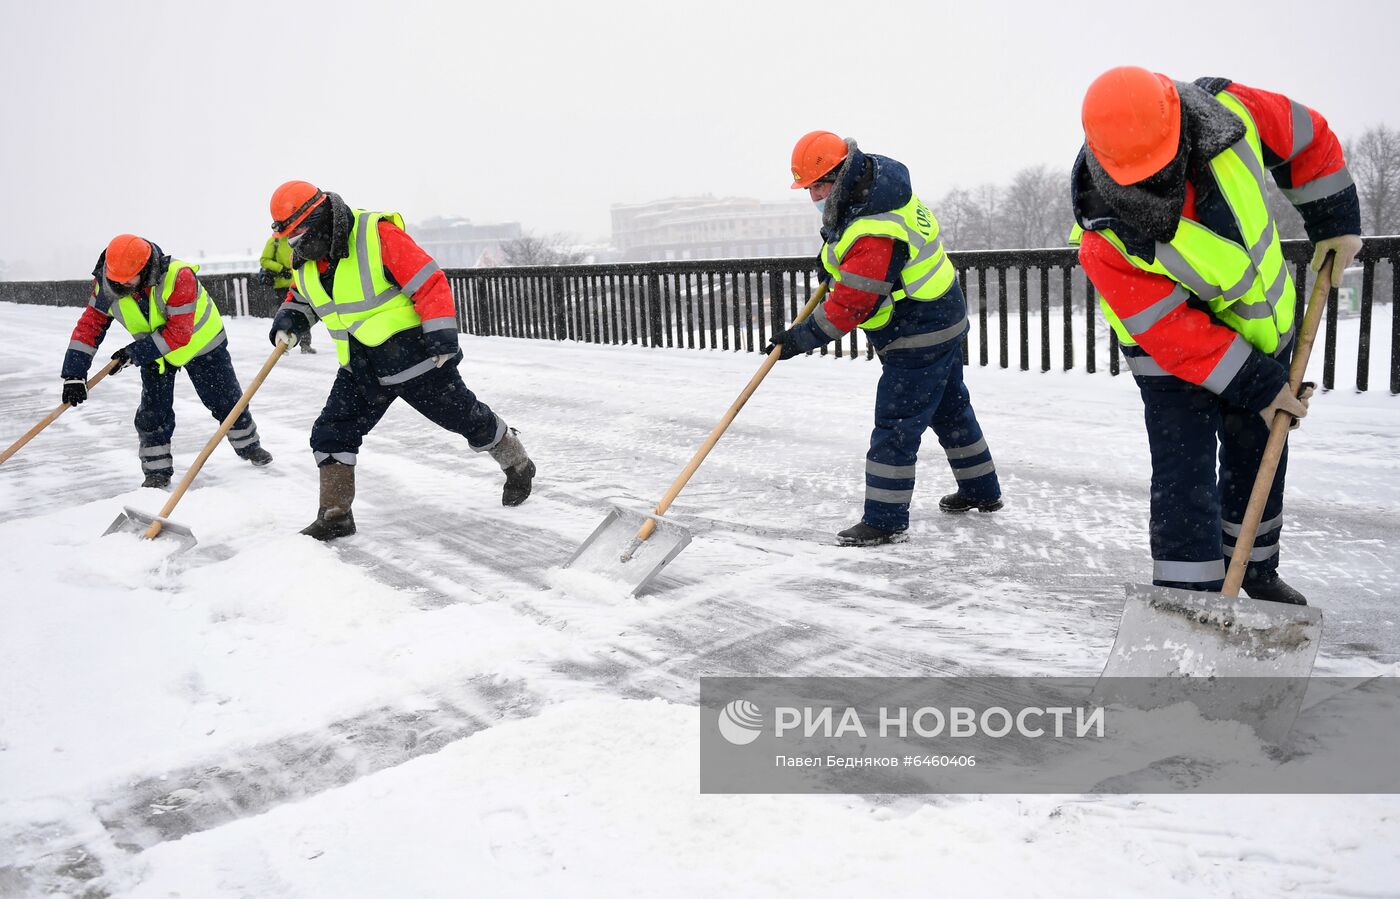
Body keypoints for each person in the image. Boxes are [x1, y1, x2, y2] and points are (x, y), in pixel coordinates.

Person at [1071, 67, 1363, 605]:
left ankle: (1253, 568)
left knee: (1260, 448)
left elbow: (1308, 137)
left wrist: (1335, 220)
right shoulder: (1106, 235)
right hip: (1166, 351)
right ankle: (1190, 598)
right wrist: (1256, 383)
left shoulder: (1231, 112)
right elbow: (1171, 330)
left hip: (1262, 323)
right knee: (1186, 472)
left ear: (1180, 123)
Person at [768, 132, 1002, 547]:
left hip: (919, 331)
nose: (813, 197)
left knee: (895, 424)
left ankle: (885, 519)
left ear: (840, 176)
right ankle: (981, 490)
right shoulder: (875, 193)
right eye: (808, 189)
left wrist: (800, 338)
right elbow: (851, 264)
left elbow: (852, 304)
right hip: (941, 317)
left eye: (818, 186)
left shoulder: (875, 225)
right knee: (951, 410)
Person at [265, 181, 535, 540]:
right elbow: (303, 296)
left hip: (415, 358)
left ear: (318, 217)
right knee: (332, 431)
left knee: (467, 419)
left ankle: (517, 463)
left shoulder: (376, 235)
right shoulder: (305, 258)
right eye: (288, 236)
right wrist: (290, 320)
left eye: (298, 232)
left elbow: (428, 282)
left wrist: (441, 336)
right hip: (360, 365)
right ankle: (335, 514)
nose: (294, 242)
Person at [60, 234, 273, 488]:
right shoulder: (108, 285)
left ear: (145, 268)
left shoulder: (178, 277)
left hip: (201, 343)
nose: (121, 286)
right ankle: (156, 473)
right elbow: (90, 327)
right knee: (153, 413)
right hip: (154, 352)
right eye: (116, 280)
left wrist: (134, 354)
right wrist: (74, 373)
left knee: (226, 400)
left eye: (128, 280)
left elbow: (179, 334)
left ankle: (249, 446)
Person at [258, 235, 315, 353]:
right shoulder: (274, 241)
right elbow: (264, 260)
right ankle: (283, 341)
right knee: (290, 313)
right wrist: (281, 269)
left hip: (299, 282)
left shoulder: (298, 237)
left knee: (302, 311)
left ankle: (305, 343)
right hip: (282, 284)